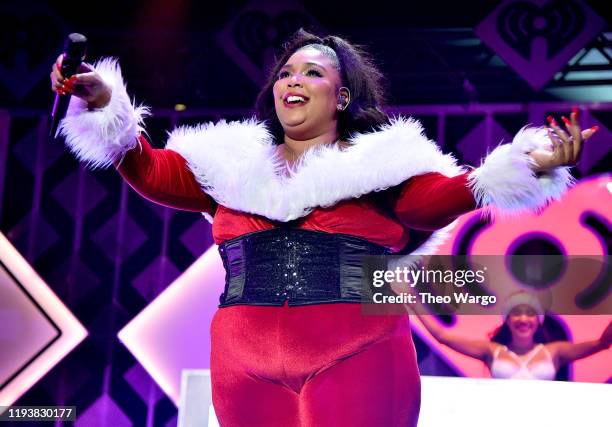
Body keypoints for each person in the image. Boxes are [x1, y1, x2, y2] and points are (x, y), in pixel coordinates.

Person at [50, 29, 597, 426]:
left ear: (344, 96)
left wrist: (527, 163)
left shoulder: (383, 168)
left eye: (313, 72)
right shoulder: (227, 167)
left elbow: (450, 193)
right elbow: (145, 166)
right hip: (242, 368)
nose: (294, 80)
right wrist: (103, 103)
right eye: (286, 72)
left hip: (356, 357)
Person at [410, 291, 612, 380]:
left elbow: (602, 343)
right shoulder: (492, 351)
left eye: (530, 313)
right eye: (516, 313)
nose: (523, 318)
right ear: (507, 320)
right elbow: (441, 335)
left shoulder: (554, 352)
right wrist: (411, 299)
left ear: (538, 320)